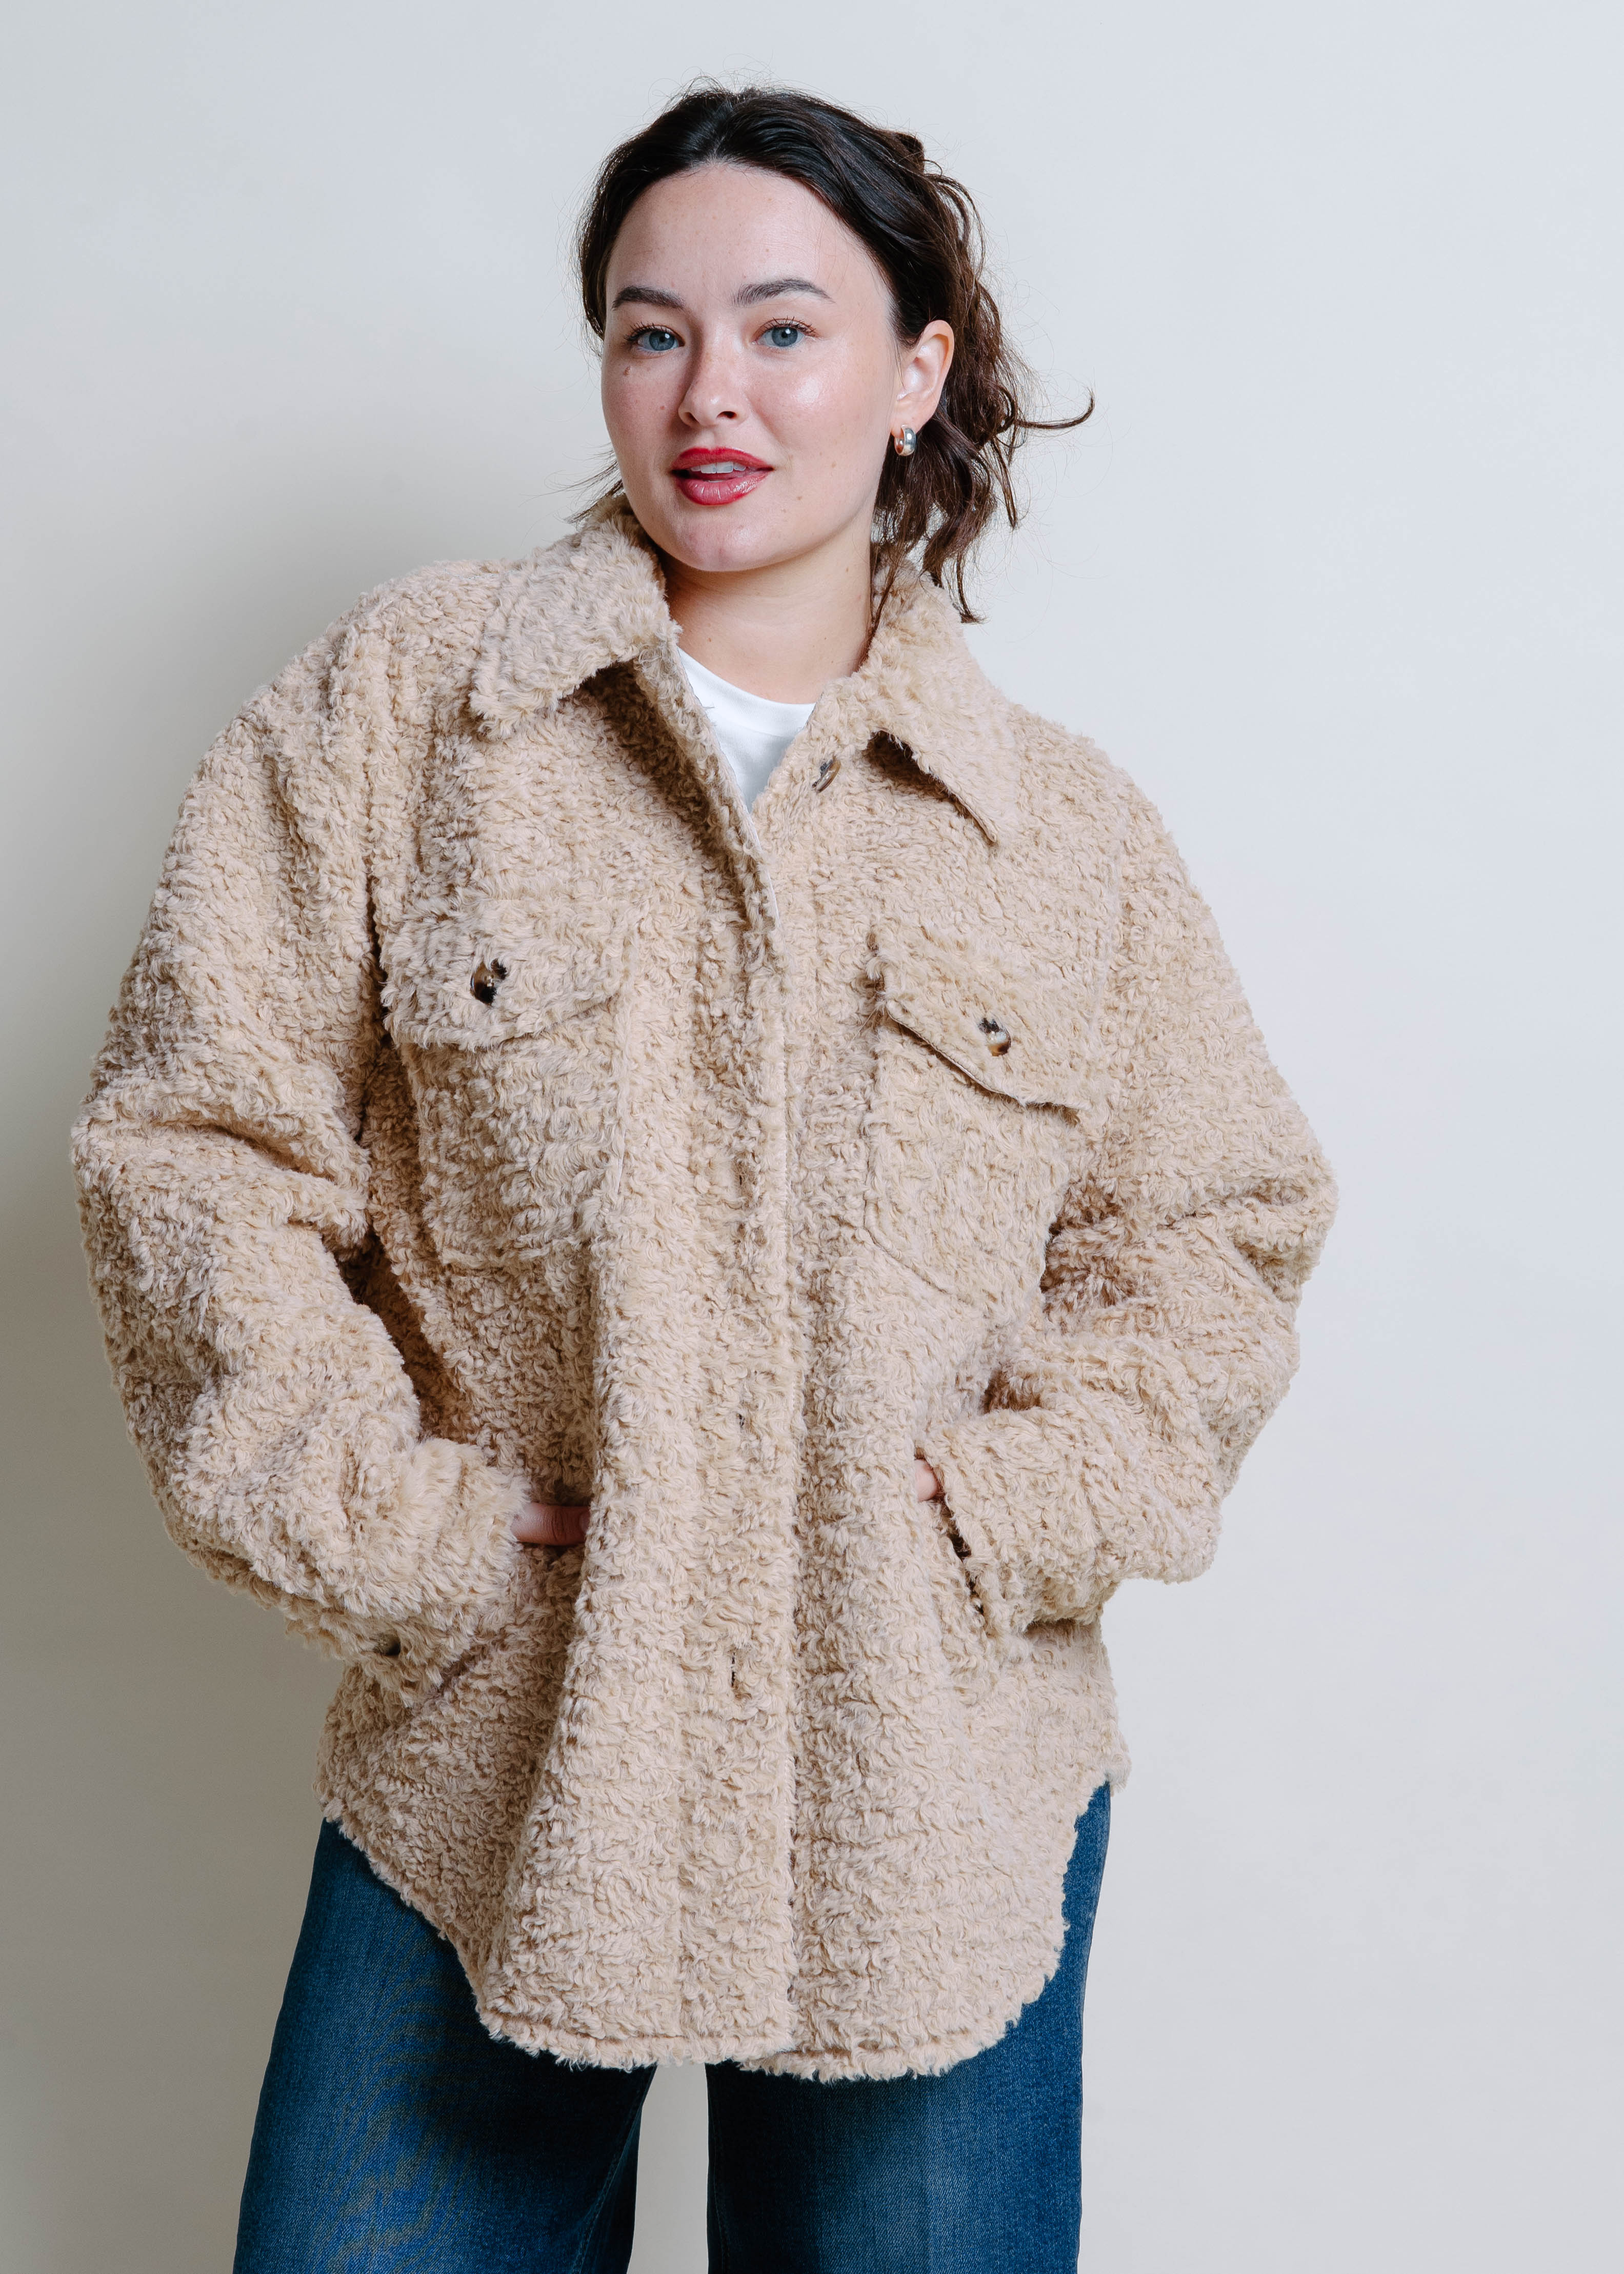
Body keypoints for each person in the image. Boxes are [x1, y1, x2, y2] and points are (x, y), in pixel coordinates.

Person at [73, 82, 1335, 2274]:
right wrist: (407, 1530)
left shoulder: (1061, 838)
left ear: (919, 369)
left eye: (782, 328)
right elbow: (190, 1142)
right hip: (499, 1760)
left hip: (931, 1793)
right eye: (650, 332)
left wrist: (1008, 1513)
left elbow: (1219, 1227)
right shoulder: (411, 715)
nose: (709, 394)